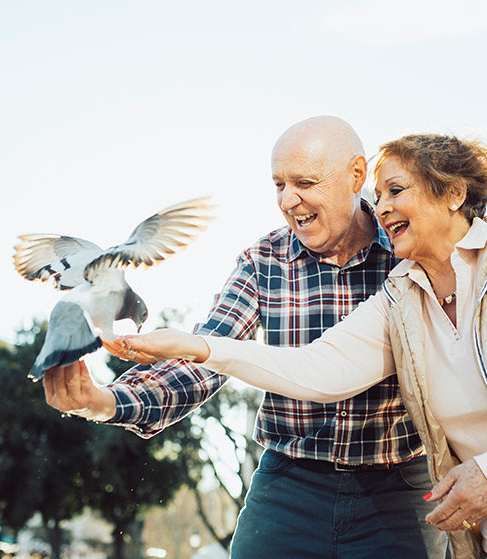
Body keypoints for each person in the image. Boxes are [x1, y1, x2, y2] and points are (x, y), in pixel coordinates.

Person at [102, 133, 487, 559]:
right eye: (278, 185)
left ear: (454, 193)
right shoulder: (404, 292)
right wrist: (191, 350)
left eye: (396, 191)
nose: (385, 206)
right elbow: (319, 369)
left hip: (466, 506)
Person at [43, 117, 447, 558]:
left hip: (401, 488)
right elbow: (207, 352)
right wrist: (106, 401)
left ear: (356, 175)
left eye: (305, 182)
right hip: (289, 485)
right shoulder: (263, 259)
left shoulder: (409, 254)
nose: (288, 200)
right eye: (278, 184)